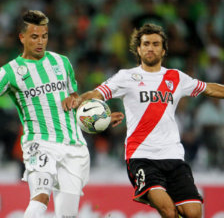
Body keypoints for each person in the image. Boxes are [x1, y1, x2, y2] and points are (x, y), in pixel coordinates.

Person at [62, 23, 224, 218]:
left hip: (173, 155)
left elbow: (210, 88)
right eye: (146, 44)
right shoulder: (126, 77)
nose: (150, 48)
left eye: (156, 44)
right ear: (138, 49)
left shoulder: (176, 77)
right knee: (168, 211)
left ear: (163, 50)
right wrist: (79, 100)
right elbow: (96, 93)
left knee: (194, 213)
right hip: (141, 156)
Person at [0, 10, 123, 218]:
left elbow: (75, 100)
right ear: (22, 38)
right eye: (34, 37)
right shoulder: (10, 72)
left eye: (44, 36)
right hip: (40, 143)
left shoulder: (62, 62)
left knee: (67, 215)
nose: (40, 42)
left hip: (74, 146)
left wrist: (101, 118)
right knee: (40, 197)